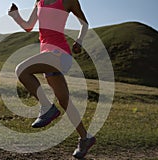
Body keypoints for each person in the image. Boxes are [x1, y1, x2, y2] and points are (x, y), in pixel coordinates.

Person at [8, 0, 95, 158]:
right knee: (64, 101)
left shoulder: (68, 1)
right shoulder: (39, 1)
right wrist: (15, 15)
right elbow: (28, 26)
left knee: (21, 70)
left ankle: (47, 107)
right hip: (48, 56)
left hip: (59, 54)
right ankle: (85, 138)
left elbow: (84, 23)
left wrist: (79, 41)